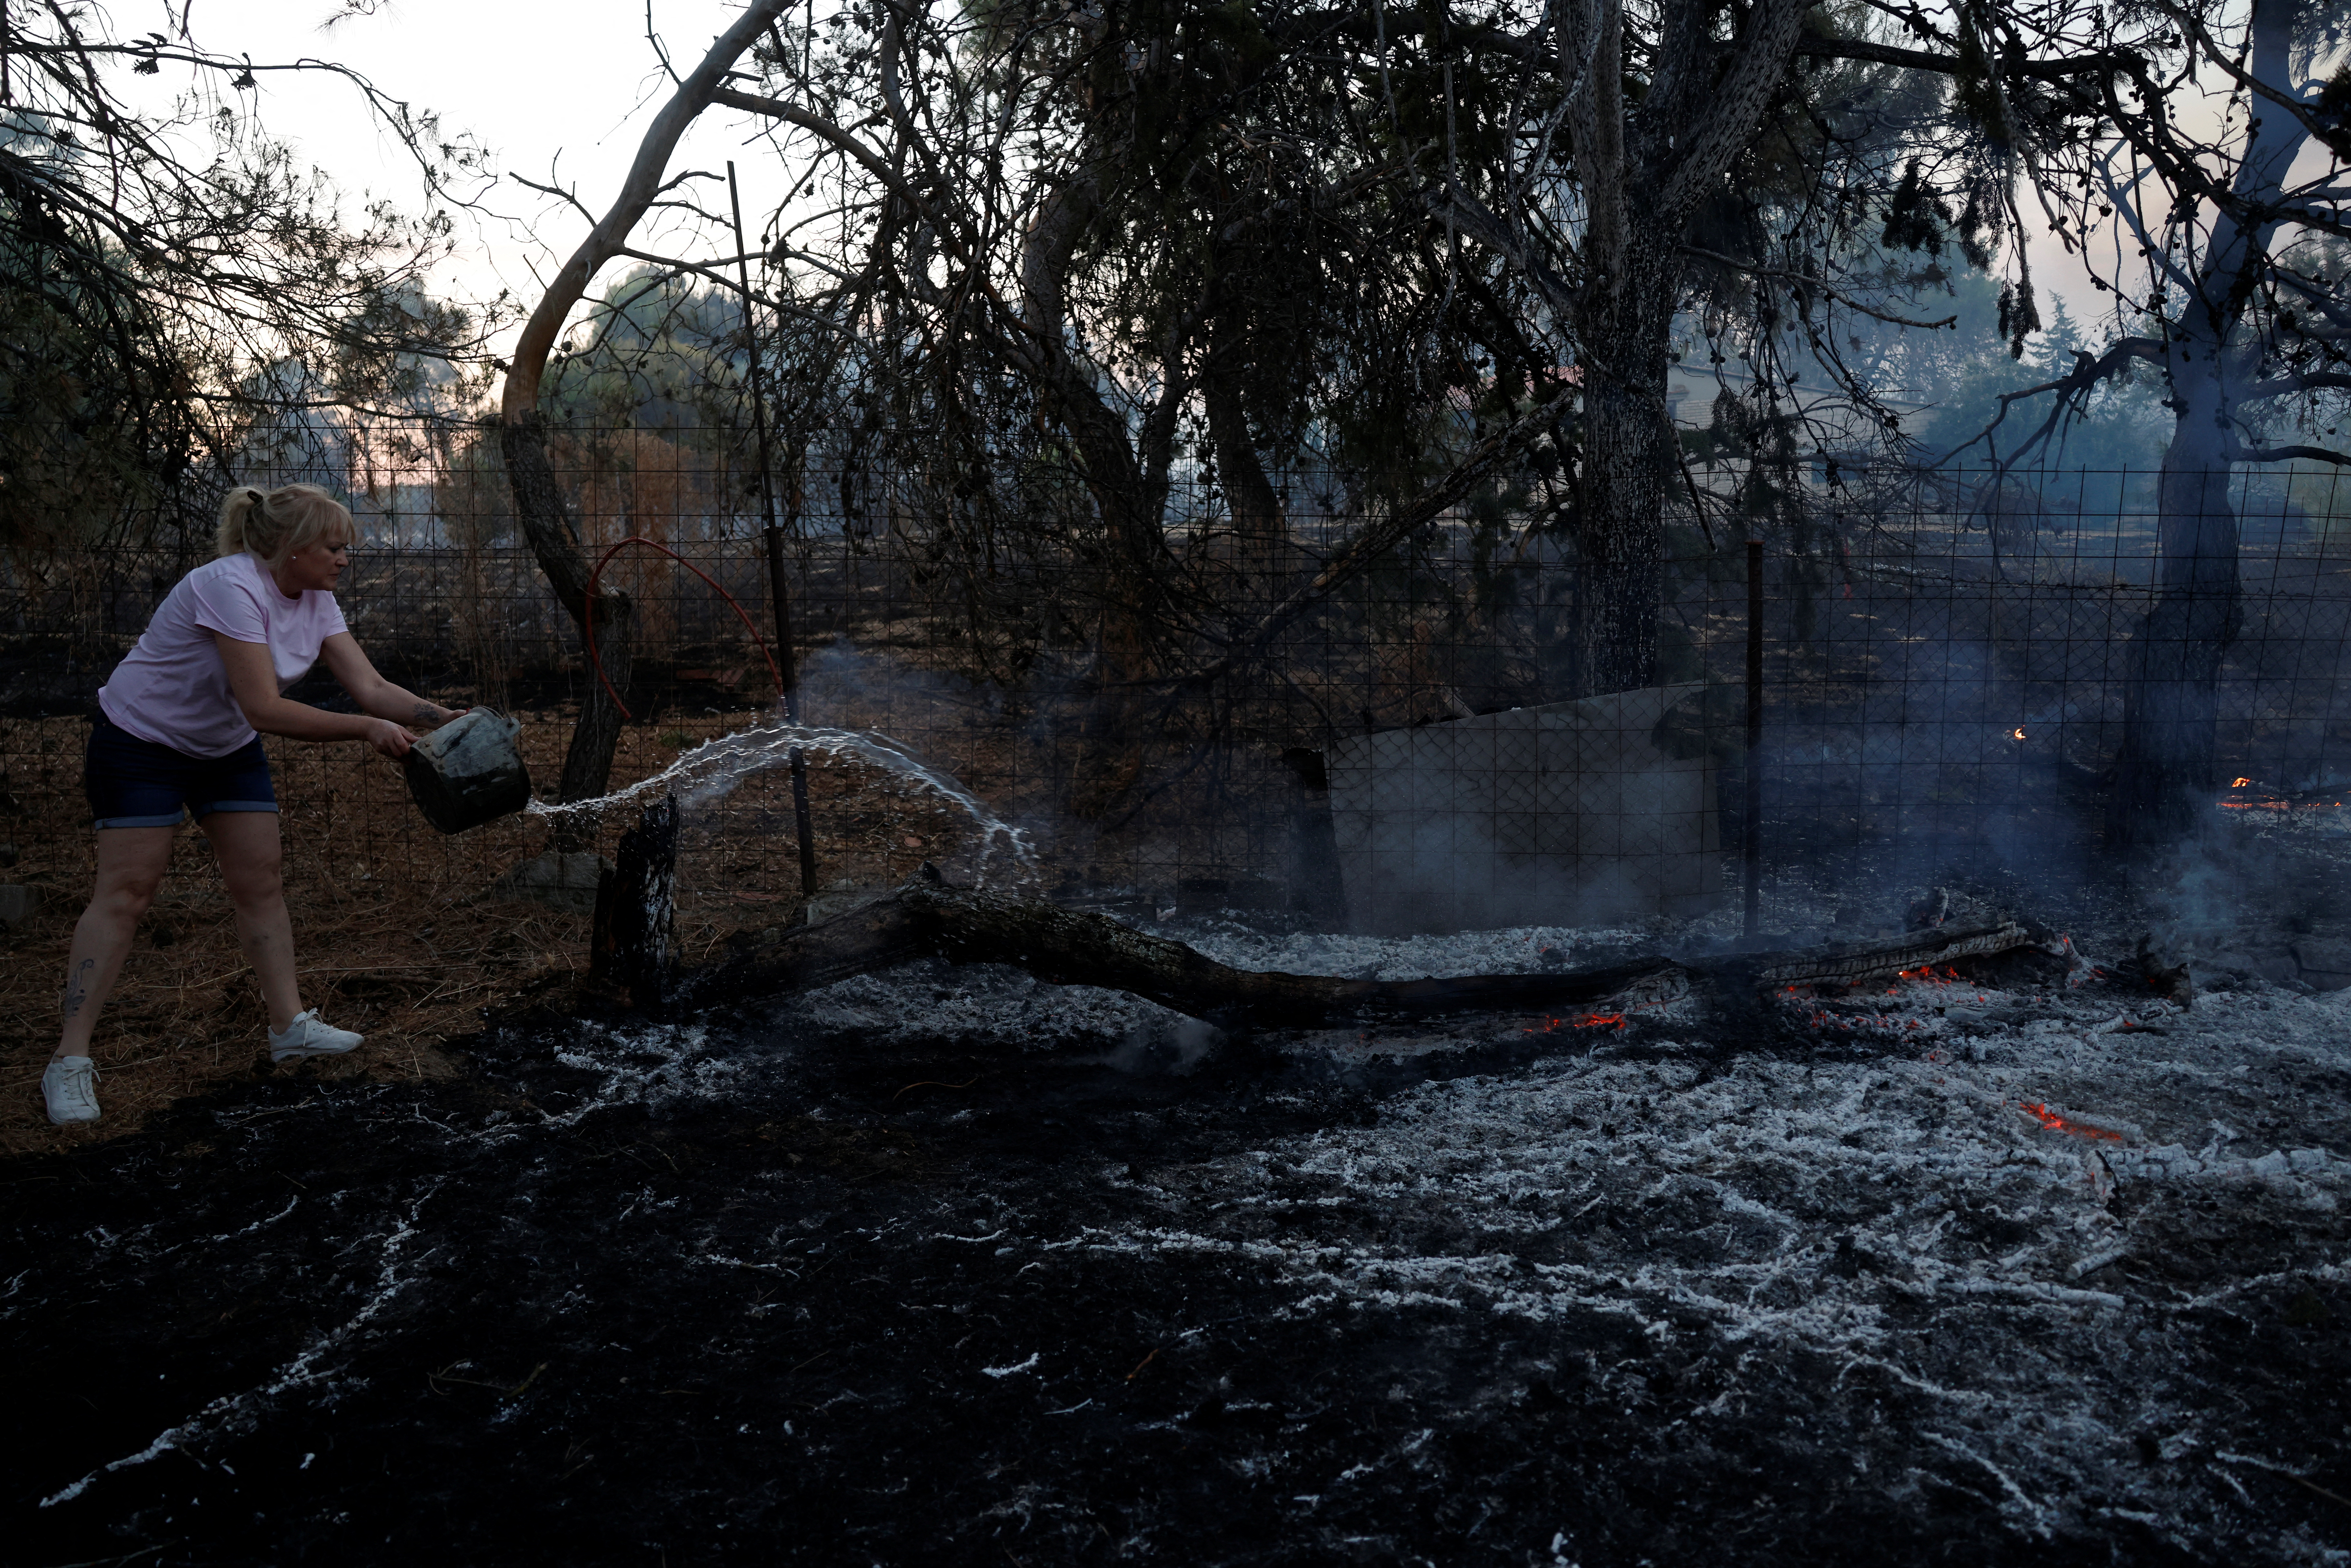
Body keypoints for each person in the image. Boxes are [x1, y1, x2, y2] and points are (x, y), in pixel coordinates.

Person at [41, 484, 461, 1126]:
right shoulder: (228, 585)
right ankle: (68, 1061)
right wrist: (361, 731)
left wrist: (452, 720)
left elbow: (372, 687)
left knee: (260, 880)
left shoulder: (317, 600)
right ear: (290, 550)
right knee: (127, 892)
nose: (345, 557)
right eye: (333, 546)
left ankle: (288, 1025)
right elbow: (264, 707)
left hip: (224, 748)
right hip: (140, 743)